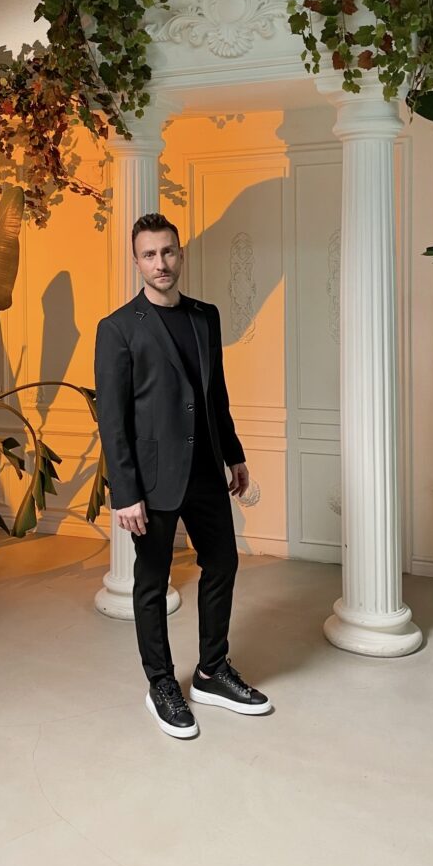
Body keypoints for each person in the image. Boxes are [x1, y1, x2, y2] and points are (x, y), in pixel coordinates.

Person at [94, 213, 271, 739]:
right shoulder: (118, 328)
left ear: (180, 254)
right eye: (149, 254)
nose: (161, 263)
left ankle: (212, 672)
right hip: (151, 482)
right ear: (137, 261)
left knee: (223, 563)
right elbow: (113, 420)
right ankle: (161, 684)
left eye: (168, 251)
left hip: (205, 471)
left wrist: (234, 454)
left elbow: (215, 394)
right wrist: (125, 492)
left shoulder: (204, 317)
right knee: (151, 582)